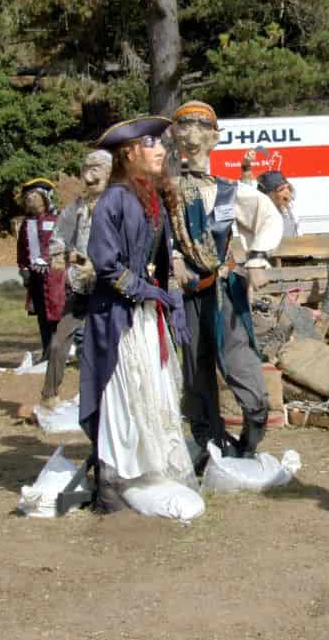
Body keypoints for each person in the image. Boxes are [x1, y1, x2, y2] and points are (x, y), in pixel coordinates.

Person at [79, 115, 194, 513]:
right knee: (126, 393)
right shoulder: (114, 199)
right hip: (119, 316)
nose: (162, 150)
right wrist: (149, 292)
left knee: (154, 389)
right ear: (129, 153)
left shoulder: (153, 197)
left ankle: (150, 471)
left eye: (160, 144)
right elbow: (107, 265)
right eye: (152, 145)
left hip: (147, 314)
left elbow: (162, 259)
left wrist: (170, 297)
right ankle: (116, 483)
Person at [167, 100, 284, 471]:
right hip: (185, 297)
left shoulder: (230, 191)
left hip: (225, 292)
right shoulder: (165, 192)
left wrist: (258, 257)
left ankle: (252, 435)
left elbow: (267, 217)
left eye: (201, 129)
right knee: (196, 375)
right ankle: (209, 447)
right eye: (184, 128)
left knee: (243, 370)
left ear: (215, 137)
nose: (192, 137)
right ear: (173, 136)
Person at [38, 149, 113, 410]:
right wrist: (62, 256)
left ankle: (111, 399)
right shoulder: (76, 208)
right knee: (59, 343)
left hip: (111, 287)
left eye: (97, 169)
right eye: (86, 169)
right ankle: (49, 393)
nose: (90, 176)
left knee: (109, 347)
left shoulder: (118, 204)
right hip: (81, 287)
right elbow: (59, 238)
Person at [16, 179, 66, 360]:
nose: (30, 199)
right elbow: (22, 248)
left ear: (45, 198)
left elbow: (62, 244)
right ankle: (47, 352)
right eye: (27, 196)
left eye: (34, 195)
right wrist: (23, 269)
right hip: (35, 276)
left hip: (54, 276)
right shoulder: (26, 223)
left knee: (57, 314)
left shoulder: (57, 219)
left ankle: (60, 352)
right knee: (42, 316)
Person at [240, 151, 299, 238]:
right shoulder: (258, 211)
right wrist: (246, 164)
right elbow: (246, 186)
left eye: (287, 187)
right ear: (268, 195)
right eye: (281, 189)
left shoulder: (290, 204)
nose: (287, 192)